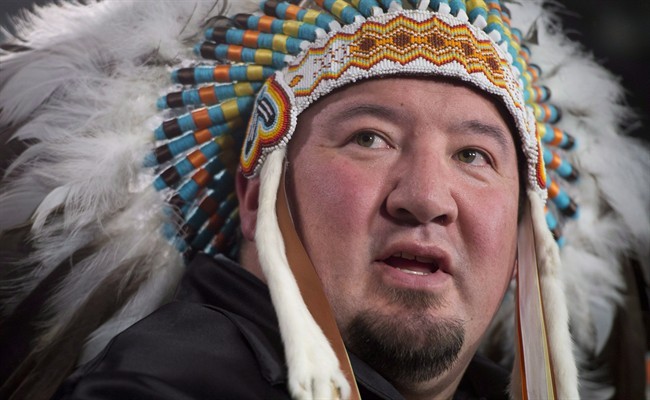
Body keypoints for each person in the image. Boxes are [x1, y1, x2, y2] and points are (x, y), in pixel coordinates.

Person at [0, 0, 648, 399]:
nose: (426, 198)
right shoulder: (176, 378)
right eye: (369, 139)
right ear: (256, 197)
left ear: (524, 231)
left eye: (473, 155)